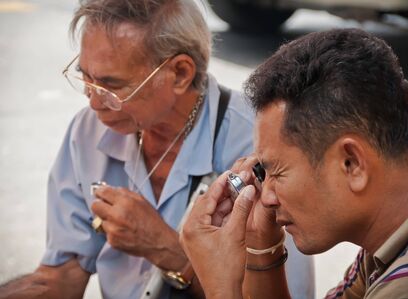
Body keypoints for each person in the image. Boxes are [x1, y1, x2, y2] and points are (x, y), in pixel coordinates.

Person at [0, 1, 314, 299]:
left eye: (111, 86)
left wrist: (165, 248)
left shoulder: (260, 143)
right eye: (85, 77)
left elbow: (286, 294)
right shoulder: (89, 131)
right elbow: (61, 276)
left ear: (180, 73)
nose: (93, 101)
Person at [180, 28, 408, 299]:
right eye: (265, 173)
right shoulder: (404, 235)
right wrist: (261, 246)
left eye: (278, 172)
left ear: (351, 163)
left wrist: (221, 287)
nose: (268, 197)